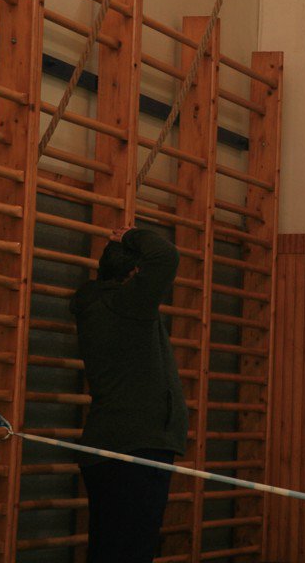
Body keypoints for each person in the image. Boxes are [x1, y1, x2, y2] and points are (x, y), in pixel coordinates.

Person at [70, 224, 186, 563]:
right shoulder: (126, 304)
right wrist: (129, 235)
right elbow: (165, 256)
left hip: (123, 447)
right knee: (129, 553)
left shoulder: (108, 305)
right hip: (133, 450)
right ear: (135, 272)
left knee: (113, 551)